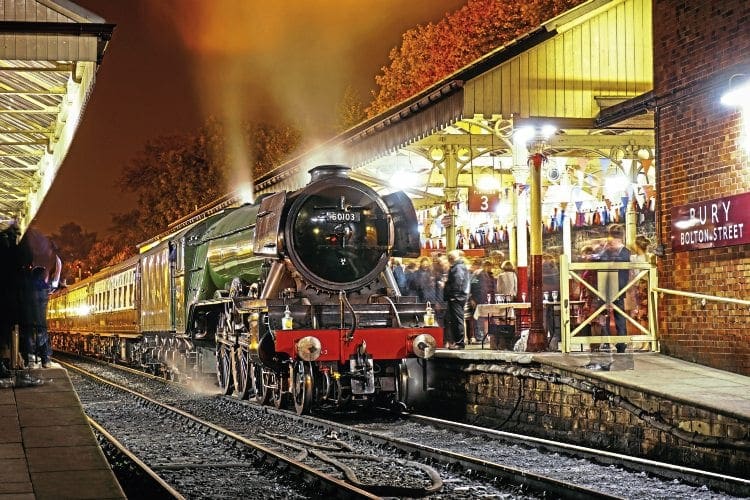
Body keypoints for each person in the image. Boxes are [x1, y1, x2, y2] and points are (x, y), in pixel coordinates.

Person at [595, 224, 631, 353]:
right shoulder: (607, 251)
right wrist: (604, 249)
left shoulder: (625, 252)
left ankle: (621, 343)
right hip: (605, 286)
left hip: (619, 287)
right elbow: (598, 260)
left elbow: (623, 264)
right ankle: (605, 342)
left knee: (619, 315)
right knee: (603, 315)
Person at [443, 250, 470, 349]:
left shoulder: (458, 268)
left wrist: (453, 294)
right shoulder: (460, 267)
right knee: (455, 320)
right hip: (458, 296)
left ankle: (459, 342)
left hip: (456, 297)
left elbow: (457, 282)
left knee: (457, 320)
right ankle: (457, 341)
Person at [469, 259, 496, 343]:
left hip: (482, 299)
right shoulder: (480, 274)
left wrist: (472, 298)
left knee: (482, 318)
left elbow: (478, 287)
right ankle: (481, 336)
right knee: (481, 318)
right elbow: (474, 286)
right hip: (481, 299)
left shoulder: (481, 275)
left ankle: (482, 336)